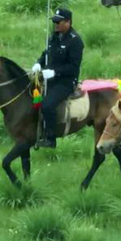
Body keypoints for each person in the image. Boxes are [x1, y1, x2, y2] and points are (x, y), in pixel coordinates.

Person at [31, 9, 84, 148]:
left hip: (65, 82)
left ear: (68, 22)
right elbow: (46, 54)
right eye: (54, 21)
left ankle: (50, 138)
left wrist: (55, 72)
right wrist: (39, 63)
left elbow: (73, 67)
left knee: (47, 105)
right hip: (48, 78)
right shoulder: (54, 37)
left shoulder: (75, 41)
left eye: (58, 22)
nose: (55, 24)